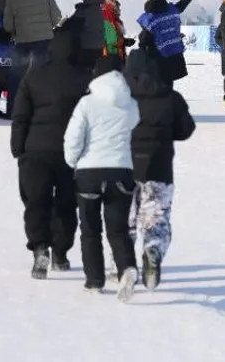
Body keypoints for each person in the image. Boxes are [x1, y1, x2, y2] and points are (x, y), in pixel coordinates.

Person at [12, 26, 91, 279]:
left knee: (36, 201)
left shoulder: (33, 78)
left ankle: (39, 246)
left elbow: (20, 116)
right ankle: (60, 253)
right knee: (67, 205)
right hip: (72, 153)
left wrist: (18, 148)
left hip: (35, 150)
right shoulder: (85, 79)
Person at [63, 65, 141, 300]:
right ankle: (126, 267)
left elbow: (74, 136)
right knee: (118, 230)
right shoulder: (131, 105)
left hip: (89, 172)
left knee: (90, 229)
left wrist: (72, 160)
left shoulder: (87, 103)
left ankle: (94, 280)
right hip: (121, 172)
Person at [124, 41, 195, 290]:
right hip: (160, 168)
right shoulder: (170, 97)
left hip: (125, 169)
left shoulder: (120, 98)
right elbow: (186, 129)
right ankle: (153, 250)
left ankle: (121, 264)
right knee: (157, 218)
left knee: (125, 218)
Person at [4, 0, 63, 108]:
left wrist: (16, 32)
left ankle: (13, 108)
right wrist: (48, 27)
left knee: (16, 76)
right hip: (44, 41)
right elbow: (57, 17)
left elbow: (7, 25)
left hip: (22, 42)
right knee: (44, 74)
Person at [137, 0, 195, 85]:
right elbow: (181, 5)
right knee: (168, 85)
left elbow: (145, 39)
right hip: (175, 56)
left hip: (157, 59)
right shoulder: (172, 10)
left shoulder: (149, 18)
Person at [68, 0, 107, 69]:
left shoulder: (84, 10)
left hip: (87, 46)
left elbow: (73, 26)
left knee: (82, 72)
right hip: (99, 45)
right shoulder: (98, 7)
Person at [102, 0, 128, 69]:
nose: (119, 10)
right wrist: (125, 41)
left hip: (116, 56)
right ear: (112, 8)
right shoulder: (108, 20)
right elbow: (112, 40)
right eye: (117, 7)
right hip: (112, 56)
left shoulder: (114, 20)